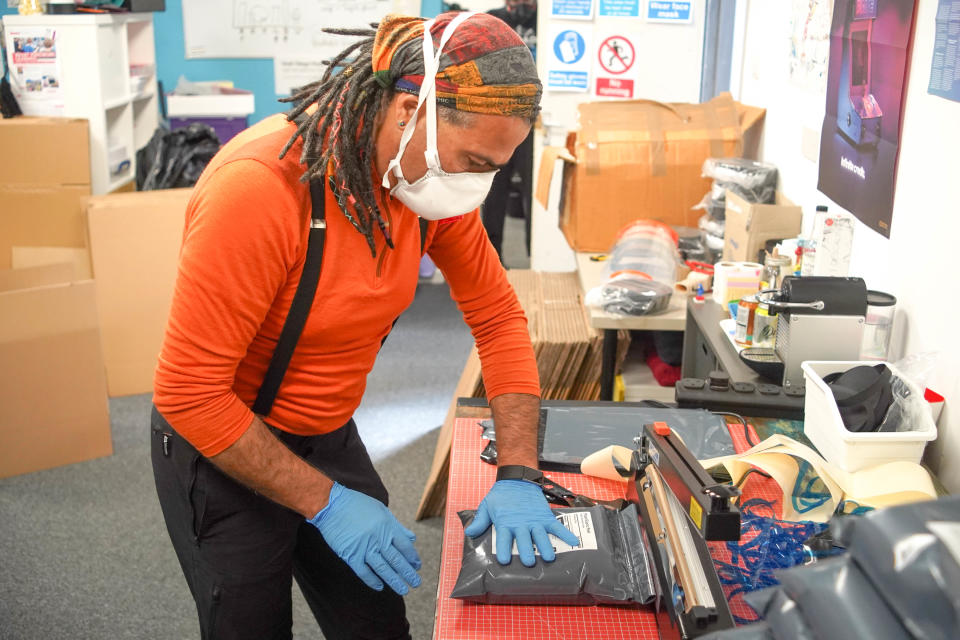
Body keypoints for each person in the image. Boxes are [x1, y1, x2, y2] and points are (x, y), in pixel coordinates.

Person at [151, 11, 578, 640]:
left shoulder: (428, 180)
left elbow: (499, 319)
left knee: (375, 623)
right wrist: (323, 502)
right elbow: (189, 393)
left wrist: (517, 471)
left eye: (495, 167)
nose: (477, 186)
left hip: (326, 430)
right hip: (223, 444)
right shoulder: (261, 190)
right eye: (474, 160)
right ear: (411, 110)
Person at [481, 0, 537, 260]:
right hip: (497, 121)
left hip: (535, 123)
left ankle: (535, 256)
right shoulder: (493, 21)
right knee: (493, 192)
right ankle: (493, 258)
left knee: (533, 192)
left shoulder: (547, 23)